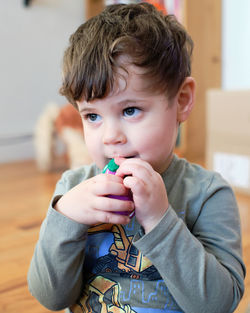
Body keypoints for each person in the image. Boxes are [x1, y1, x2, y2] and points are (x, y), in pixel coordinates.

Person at [27, 3, 245, 313]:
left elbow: (218, 304)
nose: (109, 137)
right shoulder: (73, 187)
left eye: (130, 110)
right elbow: (50, 296)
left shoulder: (207, 194)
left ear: (181, 101)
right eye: (92, 116)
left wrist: (159, 219)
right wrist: (65, 217)